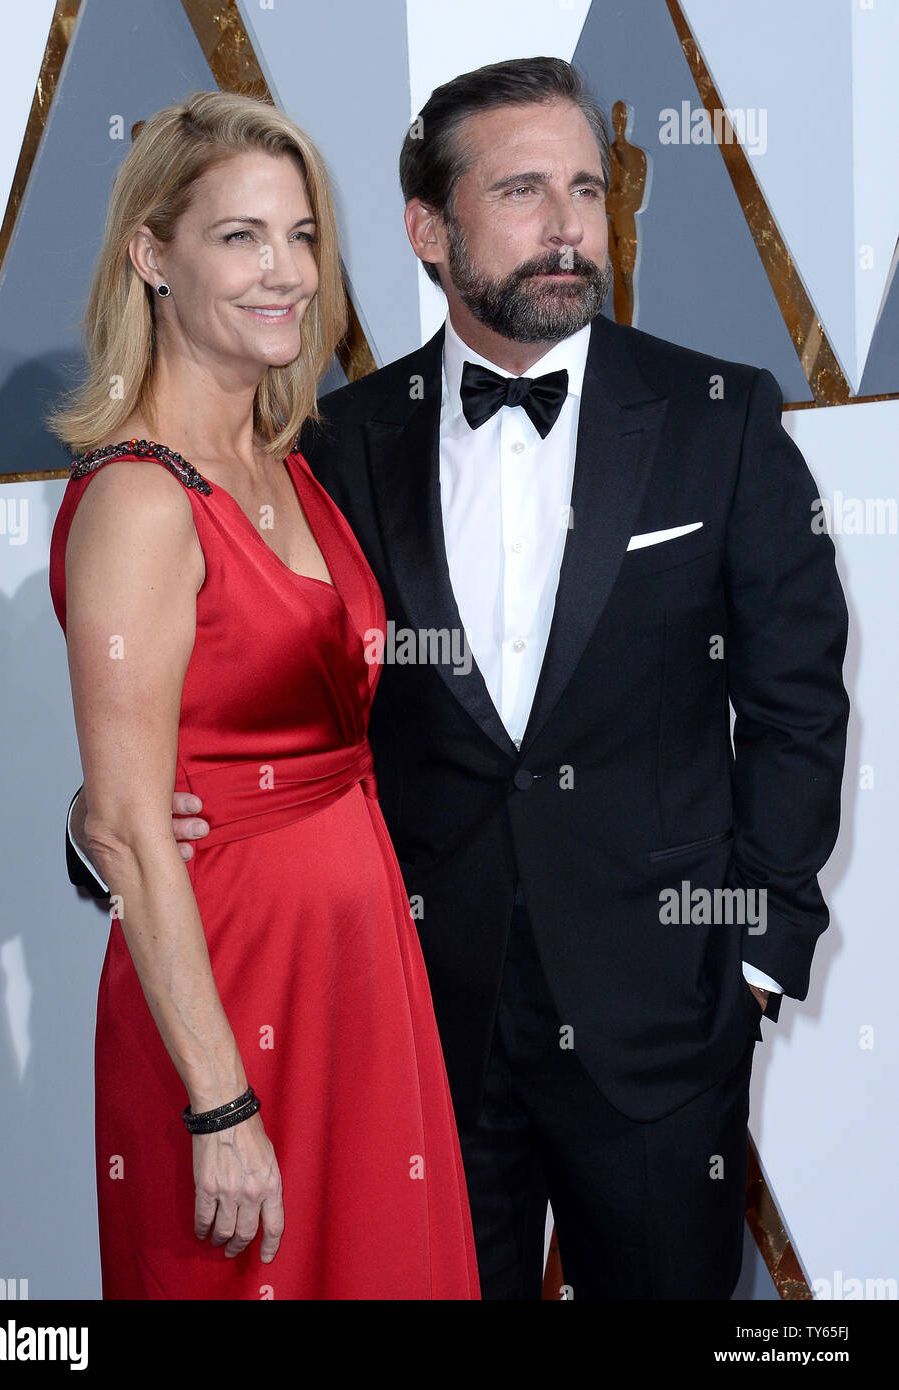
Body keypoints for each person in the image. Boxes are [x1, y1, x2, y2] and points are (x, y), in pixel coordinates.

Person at [70, 58, 849, 1301]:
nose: (565, 228)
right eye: (523, 190)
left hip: (658, 1026)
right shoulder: (329, 444)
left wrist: (752, 957)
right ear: (427, 230)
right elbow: (263, 694)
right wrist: (102, 824)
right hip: (408, 1019)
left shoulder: (721, 417)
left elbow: (797, 698)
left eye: (586, 191)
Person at [49, 90, 479, 1300]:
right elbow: (133, 828)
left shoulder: (293, 465)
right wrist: (218, 1097)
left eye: (300, 236)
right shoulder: (139, 500)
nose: (284, 270)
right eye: (239, 236)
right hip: (228, 993)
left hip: (355, 971)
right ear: (152, 256)